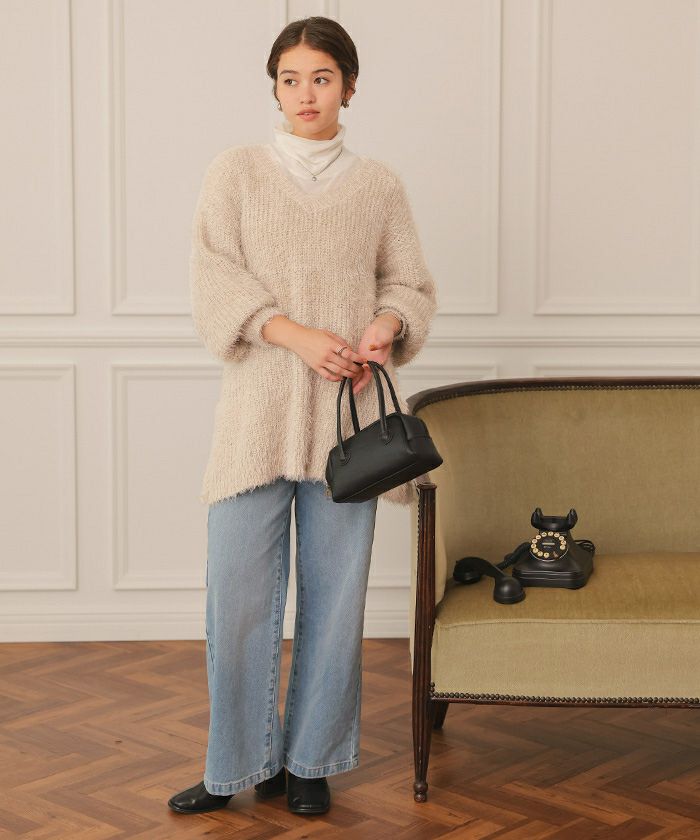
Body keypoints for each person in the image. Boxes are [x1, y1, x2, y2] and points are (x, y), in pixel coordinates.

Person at [168, 15, 437, 818]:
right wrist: (295, 335)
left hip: (349, 426)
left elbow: (410, 284)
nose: (305, 93)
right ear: (275, 88)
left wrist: (385, 325)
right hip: (256, 419)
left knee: (337, 599)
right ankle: (236, 766)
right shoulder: (237, 172)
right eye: (290, 79)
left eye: (321, 77)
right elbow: (213, 278)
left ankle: (311, 761)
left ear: (349, 87)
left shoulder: (379, 185)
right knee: (238, 602)